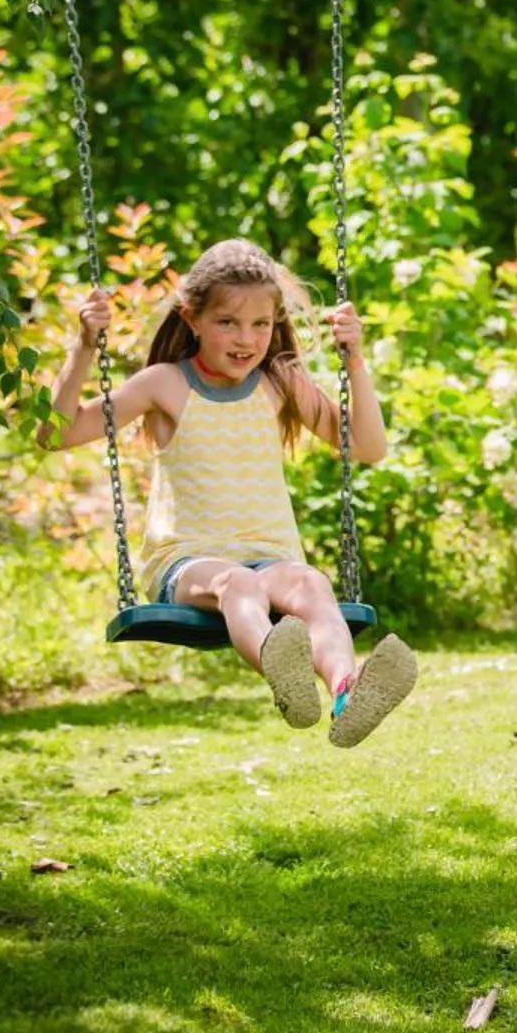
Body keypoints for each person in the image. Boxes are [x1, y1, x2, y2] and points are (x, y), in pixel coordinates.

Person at [40, 238, 417, 748]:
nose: (246, 339)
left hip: (271, 557)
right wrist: (85, 347)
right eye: (227, 322)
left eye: (261, 324)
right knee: (238, 584)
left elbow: (368, 447)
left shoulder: (280, 382)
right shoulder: (164, 384)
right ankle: (282, 670)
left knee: (312, 585)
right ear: (192, 319)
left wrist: (355, 362)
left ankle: (346, 692)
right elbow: (55, 434)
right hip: (188, 563)